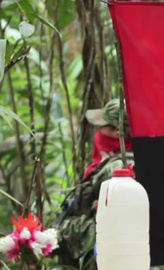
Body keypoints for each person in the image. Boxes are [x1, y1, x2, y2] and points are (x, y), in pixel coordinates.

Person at [57, 99, 133, 270]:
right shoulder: (109, 163)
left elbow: (105, 228)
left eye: (103, 126)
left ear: (117, 131)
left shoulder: (121, 170)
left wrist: (56, 237)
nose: (97, 132)